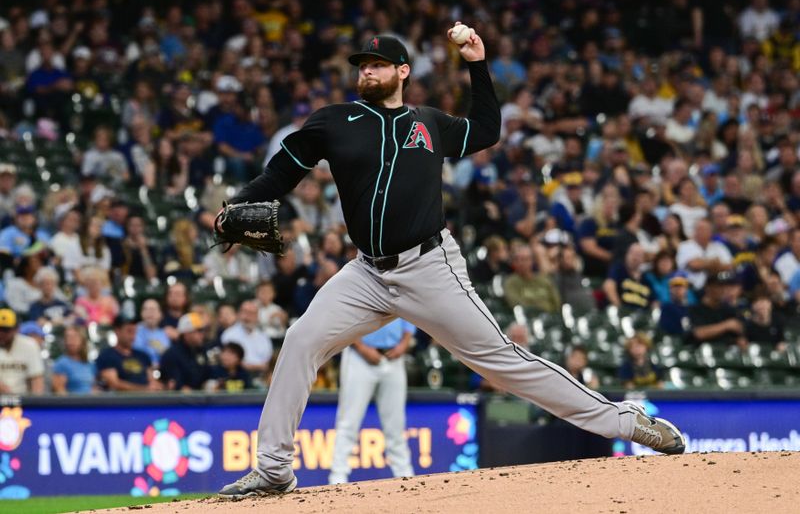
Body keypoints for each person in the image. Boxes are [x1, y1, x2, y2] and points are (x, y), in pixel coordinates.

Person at [217, 28, 685, 499]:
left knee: (502, 363)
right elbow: (281, 173)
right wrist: (234, 205)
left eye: (377, 64)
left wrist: (477, 65)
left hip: (429, 267)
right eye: (362, 65)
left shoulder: (430, 123)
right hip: (366, 273)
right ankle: (275, 468)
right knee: (299, 340)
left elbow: (487, 130)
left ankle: (625, 420)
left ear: (403, 72)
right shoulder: (334, 122)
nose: (367, 71)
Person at [328, 318, 415, 485]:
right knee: (349, 421)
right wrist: (360, 346)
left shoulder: (400, 290)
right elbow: (348, 315)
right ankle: (337, 478)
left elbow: (409, 315)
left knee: (396, 424)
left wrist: (404, 344)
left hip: (394, 356)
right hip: (359, 356)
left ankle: (405, 476)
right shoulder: (357, 289)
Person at [96, 314, 161, 392]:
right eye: (129, 331)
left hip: (146, 401)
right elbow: (114, 384)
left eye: (134, 331)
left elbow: (152, 380)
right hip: (121, 402)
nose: (133, 336)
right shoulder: (106, 356)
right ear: (117, 331)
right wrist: (144, 390)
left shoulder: (143, 355)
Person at [159, 312, 212, 391]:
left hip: (201, 398)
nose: (202, 334)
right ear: (186, 333)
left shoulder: (201, 350)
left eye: (203, 330)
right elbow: (177, 386)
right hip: (179, 401)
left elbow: (208, 375)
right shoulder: (171, 354)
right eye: (199, 330)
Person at [0, 308, 44, 394]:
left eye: (5, 330)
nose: (1, 333)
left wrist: (36, 402)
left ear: (16, 329)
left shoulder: (29, 345)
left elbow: (37, 379)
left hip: (24, 400)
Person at [51, 325, 95, 394]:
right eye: (67, 337)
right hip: (73, 403)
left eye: (74, 337)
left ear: (82, 340)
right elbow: (59, 391)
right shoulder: (61, 363)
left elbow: (91, 386)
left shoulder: (89, 364)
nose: (70, 341)